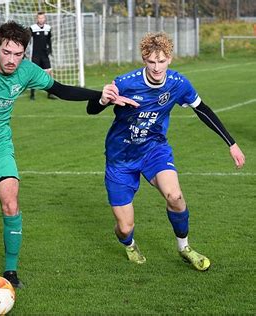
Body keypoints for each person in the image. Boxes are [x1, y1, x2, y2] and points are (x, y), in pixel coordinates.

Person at [0, 21, 137, 288]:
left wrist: (102, 96)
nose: (12, 60)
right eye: (6, 52)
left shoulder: (27, 71)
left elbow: (60, 90)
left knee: (10, 201)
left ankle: (10, 271)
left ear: (25, 53)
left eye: (18, 54)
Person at [87, 32, 245, 271]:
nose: (157, 67)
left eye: (162, 61)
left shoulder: (178, 84)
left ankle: (184, 247)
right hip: (121, 158)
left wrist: (231, 143)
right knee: (125, 227)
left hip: (154, 150)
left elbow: (203, 110)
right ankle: (129, 244)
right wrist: (101, 100)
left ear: (169, 58)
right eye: (151, 61)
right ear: (144, 59)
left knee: (175, 197)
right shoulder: (125, 83)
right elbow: (92, 109)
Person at [29, 11, 55, 100]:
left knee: (49, 73)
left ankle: (50, 94)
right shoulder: (32, 28)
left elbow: (49, 41)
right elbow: (28, 41)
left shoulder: (48, 28)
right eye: (39, 18)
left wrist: (50, 50)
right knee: (33, 74)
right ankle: (32, 94)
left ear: (45, 18)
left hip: (45, 55)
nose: (41, 19)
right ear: (37, 19)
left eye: (42, 18)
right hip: (35, 55)